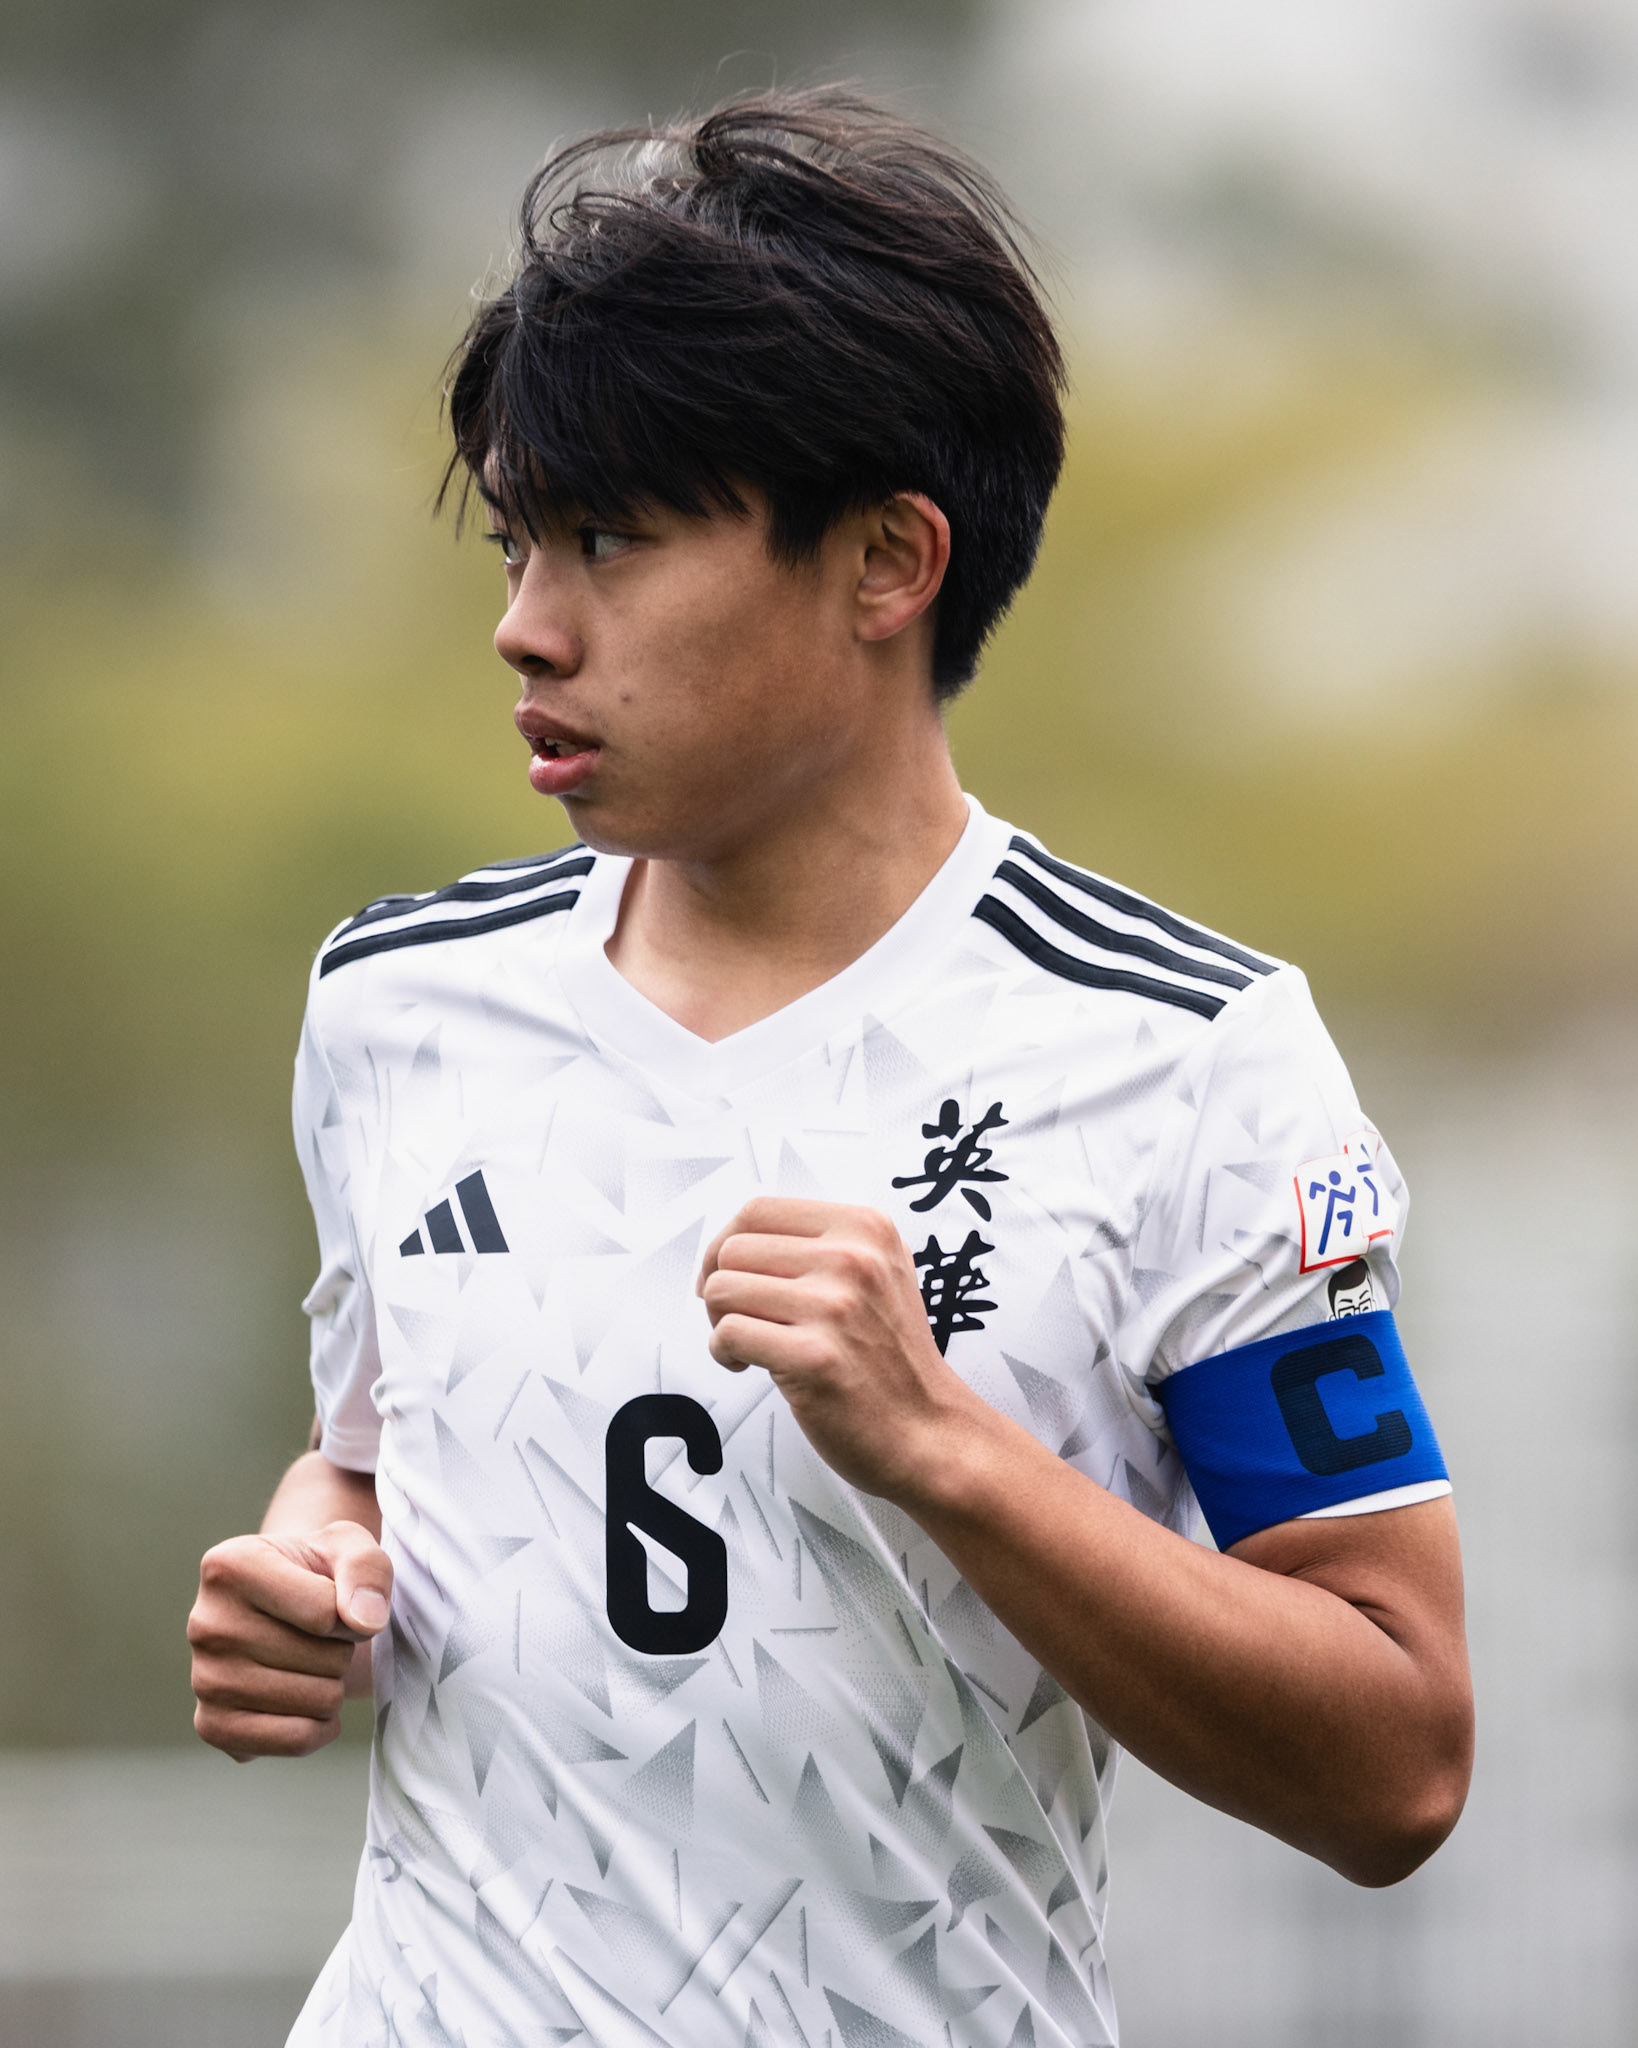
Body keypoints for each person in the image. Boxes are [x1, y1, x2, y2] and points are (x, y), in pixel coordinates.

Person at [186, 88, 1473, 2048]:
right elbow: (372, 1458)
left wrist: (943, 1442)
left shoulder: (1187, 1056)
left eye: (610, 540)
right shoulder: (397, 1001)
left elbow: (1398, 1757)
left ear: (886, 561)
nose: (527, 627)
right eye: (521, 541)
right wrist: (308, 1568)